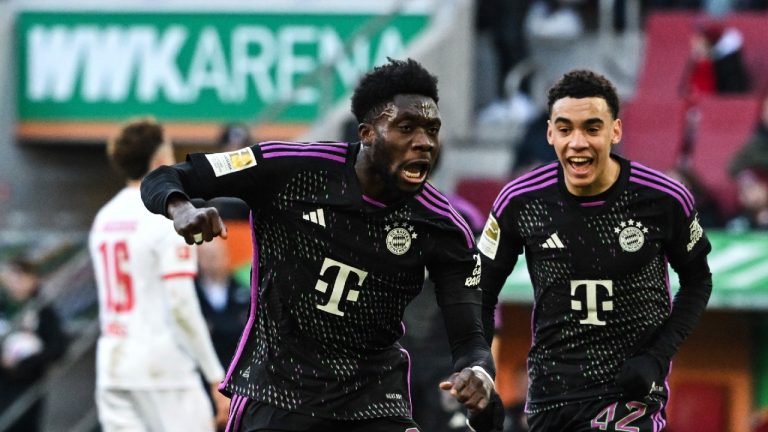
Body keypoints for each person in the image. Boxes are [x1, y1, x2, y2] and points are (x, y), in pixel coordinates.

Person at [140, 58, 503, 432]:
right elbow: (166, 177)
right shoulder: (290, 169)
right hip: (279, 392)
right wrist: (180, 207)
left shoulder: (444, 225)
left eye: (432, 129)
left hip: (373, 401)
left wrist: (476, 371)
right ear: (367, 133)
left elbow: (471, 338)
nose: (424, 142)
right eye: (406, 127)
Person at [478, 70, 713, 431]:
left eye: (592, 128)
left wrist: (655, 357)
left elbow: (698, 280)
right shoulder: (520, 201)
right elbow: (478, 289)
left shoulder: (664, 199)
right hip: (550, 395)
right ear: (549, 133)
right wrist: (479, 364)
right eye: (565, 128)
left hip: (629, 394)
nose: (578, 142)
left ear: (615, 131)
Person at [89, 118, 229, 432]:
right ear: (159, 161)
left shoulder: (104, 217)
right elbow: (180, 305)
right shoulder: (169, 216)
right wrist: (214, 376)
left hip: (113, 367)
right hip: (163, 371)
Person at [0, 258, 67, 432]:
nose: (16, 285)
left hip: (27, 385)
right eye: (12, 279)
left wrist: (25, 362)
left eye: (21, 278)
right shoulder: (4, 308)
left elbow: (58, 347)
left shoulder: (43, 310)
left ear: (34, 279)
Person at [194, 237, 250, 369]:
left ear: (227, 256)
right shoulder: (192, 291)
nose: (213, 261)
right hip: (203, 366)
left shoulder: (243, 288)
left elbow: (247, 327)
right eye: (207, 256)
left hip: (237, 365)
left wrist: (213, 327)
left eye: (216, 255)